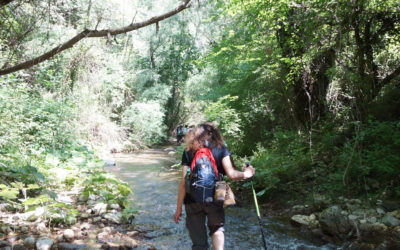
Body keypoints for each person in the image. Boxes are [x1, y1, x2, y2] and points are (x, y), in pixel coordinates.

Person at [174, 122, 255, 250]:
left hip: (192, 197)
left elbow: (184, 181)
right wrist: (247, 173)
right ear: (214, 133)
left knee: (199, 244)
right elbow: (232, 174)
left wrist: (178, 208)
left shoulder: (189, 150)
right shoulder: (221, 147)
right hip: (218, 192)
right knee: (217, 228)